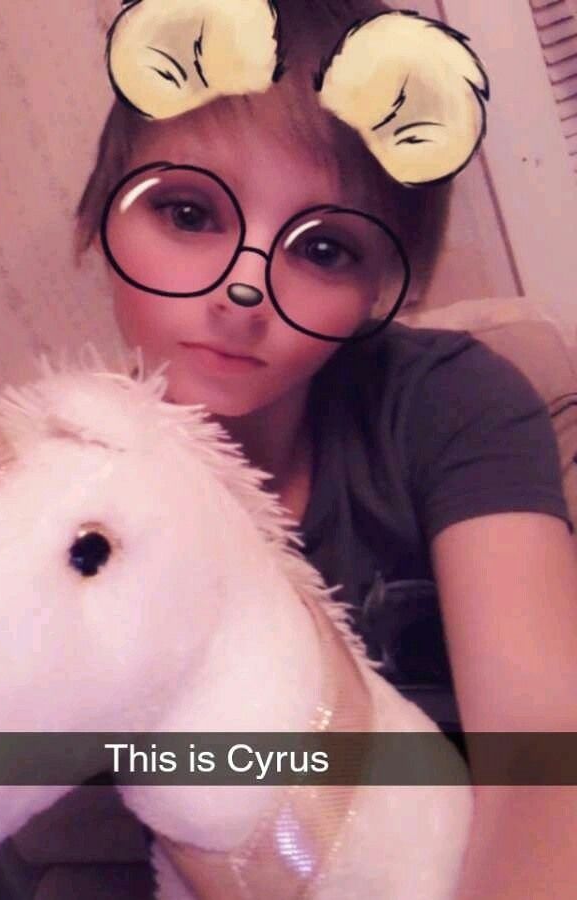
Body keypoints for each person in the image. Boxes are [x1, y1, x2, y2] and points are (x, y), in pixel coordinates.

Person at [71, 1, 577, 896]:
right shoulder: (66, 491)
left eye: (324, 250)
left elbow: (541, 755)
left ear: (379, 287)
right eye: (190, 213)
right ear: (100, 220)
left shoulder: (452, 404)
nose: (244, 291)